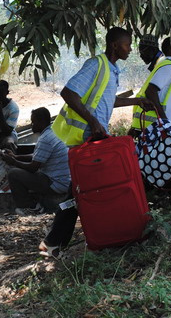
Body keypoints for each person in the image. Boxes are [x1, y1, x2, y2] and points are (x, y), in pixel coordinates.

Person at [39, 27, 154, 256]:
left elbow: (106, 102)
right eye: (127, 44)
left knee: (83, 190)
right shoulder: (97, 64)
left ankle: (57, 241)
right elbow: (68, 93)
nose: (130, 49)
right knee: (87, 189)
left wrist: (137, 101)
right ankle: (60, 241)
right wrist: (92, 122)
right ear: (114, 45)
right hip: (85, 139)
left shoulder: (112, 70)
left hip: (95, 138)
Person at [0, 107, 70, 215]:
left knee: (13, 174)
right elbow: (36, 156)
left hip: (56, 183)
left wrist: (13, 162)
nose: (32, 124)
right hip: (60, 180)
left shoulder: (45, 139)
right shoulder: (51, 133)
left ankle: (29, 206)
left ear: (41, 122)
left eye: (33, 122)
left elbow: (33, 167)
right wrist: (15, 157)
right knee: (18, 170)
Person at [130, 36, 171, 133]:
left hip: (157, 127)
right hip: (155, 128)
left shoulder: (170, 65)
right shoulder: (169, 67)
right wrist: (164, 120)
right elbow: (151, 91)